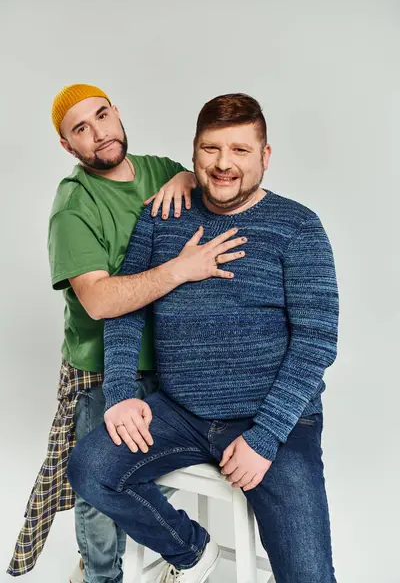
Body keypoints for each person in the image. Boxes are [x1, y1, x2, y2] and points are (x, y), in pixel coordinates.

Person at [67, 92, 339, 583]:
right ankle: (192, 551)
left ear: (265, 156)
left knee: (309, 576)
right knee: (90, 466)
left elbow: (316, 340)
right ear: (193, 154)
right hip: (181, 413)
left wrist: (263, 437)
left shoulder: (298, 226)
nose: (223, 164)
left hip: (273, 422)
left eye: (239, 150)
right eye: (211, 149)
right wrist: (123, 393)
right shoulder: (162, 216)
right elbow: (127, 312)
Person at [7, 85, 247, 583]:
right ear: (67, 146)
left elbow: (209, 177)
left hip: (171, 364)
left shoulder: (159, 169)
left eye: (100, 115)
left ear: (116, 112)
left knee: (150, 474)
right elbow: (99, 300)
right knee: (99, 488)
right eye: (80, 129)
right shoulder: (73, 206)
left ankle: (164, 552)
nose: (98, 133)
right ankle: (101, 575)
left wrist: (185, 175)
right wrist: (181, 270)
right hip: (102, 371)